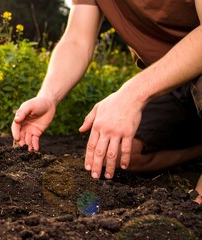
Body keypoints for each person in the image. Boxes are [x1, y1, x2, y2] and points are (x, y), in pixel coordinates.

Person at [11, 0, 202, 204]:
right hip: (172, 83)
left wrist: (133, 94)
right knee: (118, 153)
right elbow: (77, 40)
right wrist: (48, 95)